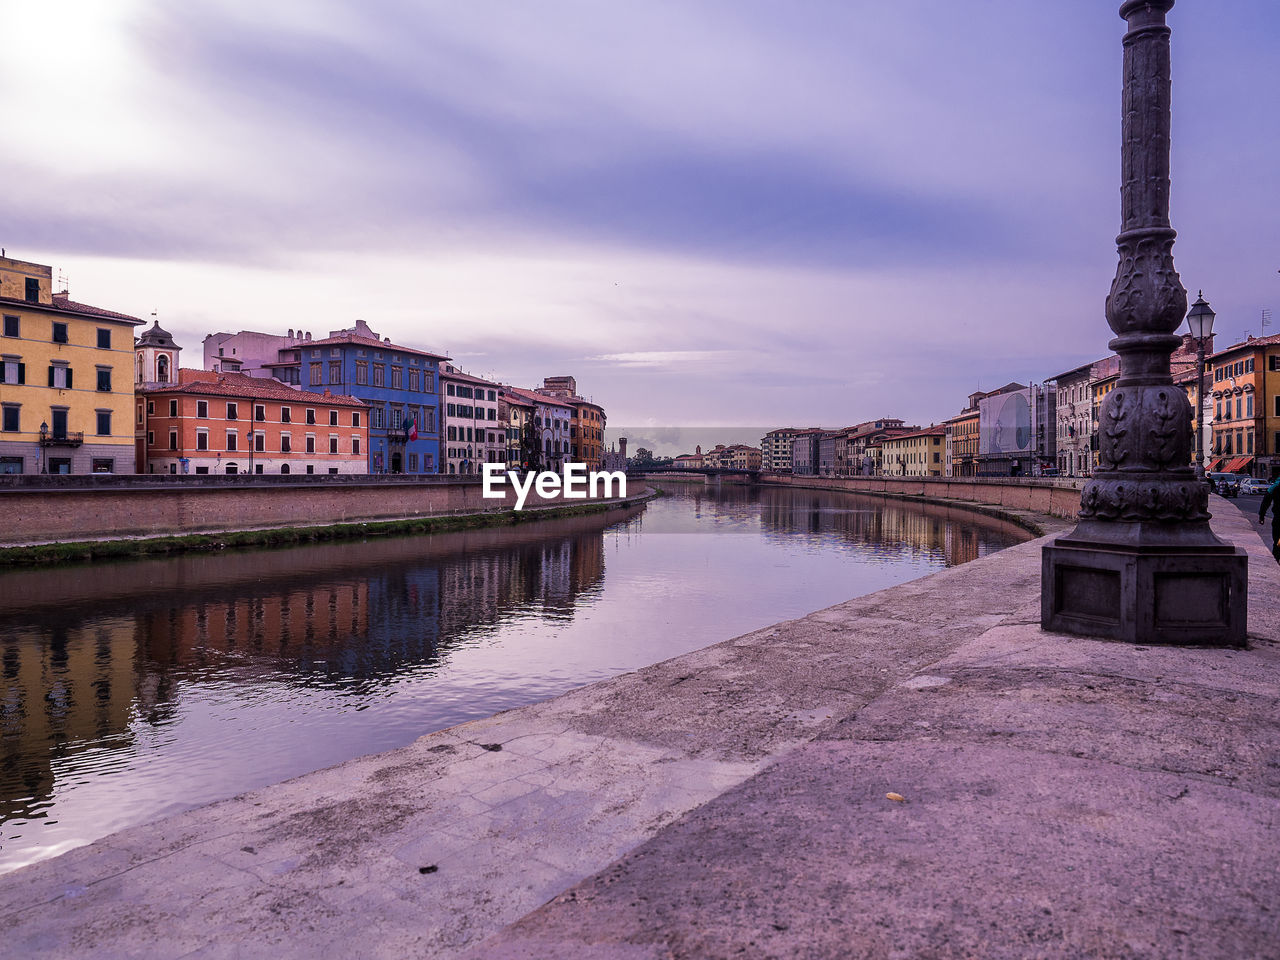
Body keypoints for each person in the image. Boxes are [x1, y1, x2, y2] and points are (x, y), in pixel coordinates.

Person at [1258, 476, 1280, 562]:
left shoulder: (1274, 487)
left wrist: (1261, 516)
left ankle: (1276, 559)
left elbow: (1265, 502)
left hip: (1278, 518)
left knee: (1277, 540)